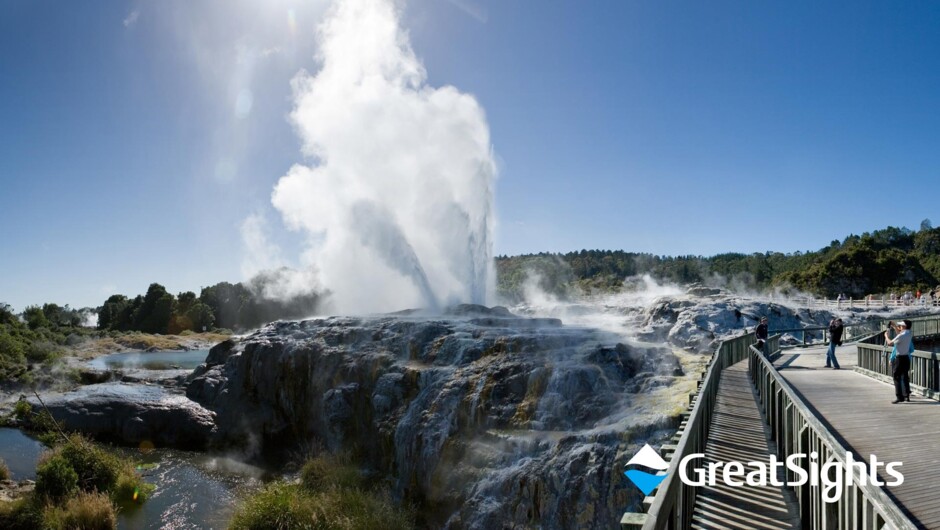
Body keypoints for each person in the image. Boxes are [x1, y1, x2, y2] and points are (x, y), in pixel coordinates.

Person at [885, 321, 913, 403]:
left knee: (896, 377)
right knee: (905, 377)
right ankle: (906, 395)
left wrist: (886, 336)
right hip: (906, 358)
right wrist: (894, 326)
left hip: (899, 359)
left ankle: (899, 397)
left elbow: (890, 343)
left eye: (901, 325)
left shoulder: (901, 335)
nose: (899, 326)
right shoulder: (909, 334)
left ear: (904, 326)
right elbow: (900, 333)